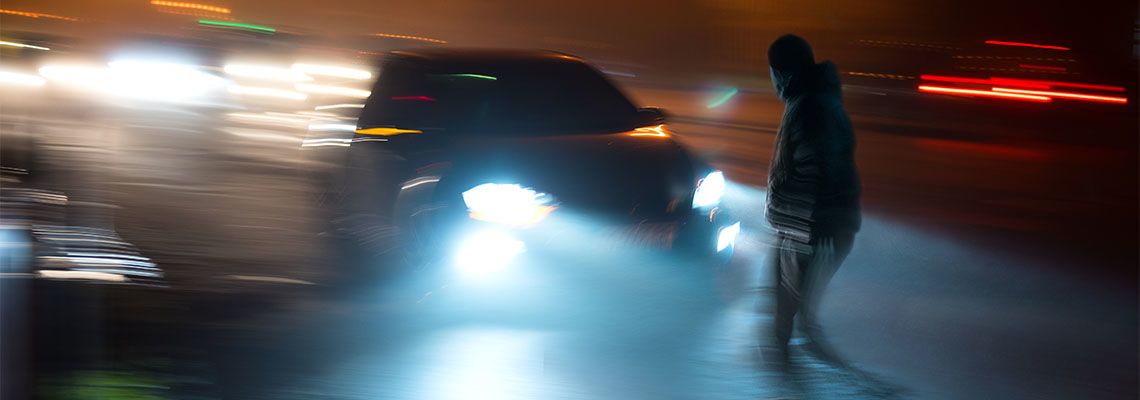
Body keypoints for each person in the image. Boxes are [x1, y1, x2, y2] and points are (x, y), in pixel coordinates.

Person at [763, 34, 861, 366]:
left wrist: (798, 231)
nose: (772, 81)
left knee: (788, 300)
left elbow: (814, 171)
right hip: (813, 224)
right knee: (793, 303)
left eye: (773, 72)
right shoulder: (814, 99)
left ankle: (784, 359)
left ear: (783, 72)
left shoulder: (809, 107)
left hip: (807, 226)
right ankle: (789, 349)